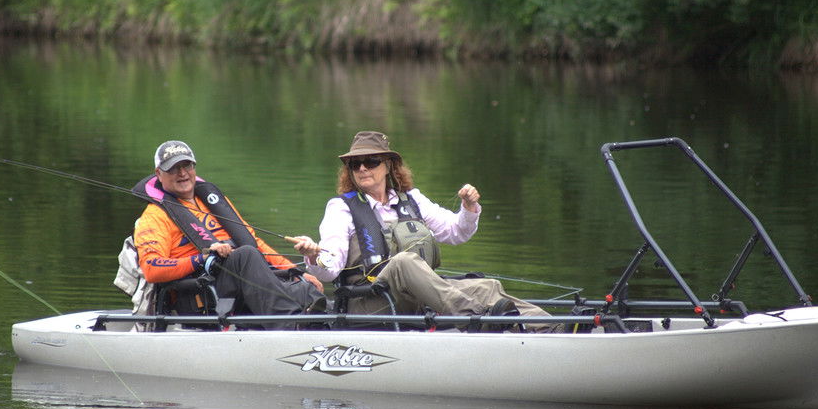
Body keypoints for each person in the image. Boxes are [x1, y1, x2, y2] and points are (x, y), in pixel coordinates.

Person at [297, 131, 548, 325]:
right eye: (355, 164)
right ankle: (477, 317)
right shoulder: (340, 208)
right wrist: (314, 255)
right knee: (405, 261)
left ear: (388, 165)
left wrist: (469, 207)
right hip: (371, 301)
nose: (362, 168)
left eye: (370, 161)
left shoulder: (413, 199)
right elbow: (330, 269)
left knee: (486, 286)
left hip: (419, 299)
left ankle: (552, 327)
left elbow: (456, 232)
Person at [133, 140, 325, 323]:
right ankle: (290, 324)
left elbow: (254, 241)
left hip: (242, 280)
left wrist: (294, 271)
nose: (183, 173)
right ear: (158, 173)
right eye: (174, 168)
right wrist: (201, 258)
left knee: (306, 288)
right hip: (199, 292)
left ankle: (323, 326)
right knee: (246, 255)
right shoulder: (153, 217)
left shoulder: (212, 201)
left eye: (187, 166)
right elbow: (152, 269)